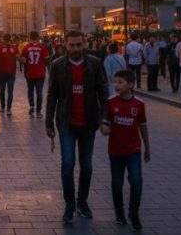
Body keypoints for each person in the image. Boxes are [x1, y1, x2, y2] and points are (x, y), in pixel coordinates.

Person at [45, 30, 107, 223]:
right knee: (68, 164)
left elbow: (103, 93)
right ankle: (70, 204)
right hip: (66, 122)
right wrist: (48, 122)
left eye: (79, 45)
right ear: (65, 44)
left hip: (88, 122)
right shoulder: (57, 65)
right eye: (72, 45)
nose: (75, 49)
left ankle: (82, 201)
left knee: (86, 165)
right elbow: (52, 95)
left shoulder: (95, 64)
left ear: (85, 44)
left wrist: (105, 119)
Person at [100, 69, 150, 231]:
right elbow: (104, 122)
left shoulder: (139, 104)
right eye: (115, 82)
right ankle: (119, 212)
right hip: (115, 151)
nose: (116, 85)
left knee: (136, 181)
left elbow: (143, 126)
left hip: (133, 150)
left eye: (120, 82)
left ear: (130, 85)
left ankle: (133, 212)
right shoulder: (110, 102)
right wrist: (104, 128)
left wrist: (147, 148)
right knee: (117, 183)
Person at [19, 31, 50, 119]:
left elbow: (23, 60)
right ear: (37, 38)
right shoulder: (42, 47)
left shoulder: (26, 47)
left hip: (29, 73)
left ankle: (32, 106)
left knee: (30, 90)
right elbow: (47, 59)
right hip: (40, 73)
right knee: (39, 92)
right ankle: (39, 111)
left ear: (30, 37)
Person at [0, 34, 19, 116]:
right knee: (10, 91)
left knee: (2, 90)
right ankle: (8, 109)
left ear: (3, 39)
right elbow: (18, 57)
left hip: (2, 71)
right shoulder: (14, 47)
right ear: (10, 39)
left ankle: (2, 107)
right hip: (11, 72)